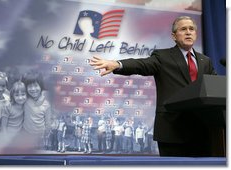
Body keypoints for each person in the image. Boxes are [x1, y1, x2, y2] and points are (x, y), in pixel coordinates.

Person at [90, 16, 217, 157]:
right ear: (174, 36)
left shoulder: (205, 61)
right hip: (172, 130)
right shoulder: (163, 56)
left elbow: (215, 87)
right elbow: (142, 65)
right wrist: (118, 64)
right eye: (183, 29)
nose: (188, 32)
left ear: (196, 34)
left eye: (191, 29)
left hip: (202, 131)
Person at [22, 70, 52, 149]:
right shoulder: (24, 99)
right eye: (30, 86)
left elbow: (48, 122)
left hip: (40, 137)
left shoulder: (46, 103)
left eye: (35, 86)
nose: (33, 89)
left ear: (40, 86)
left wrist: (46, 134)